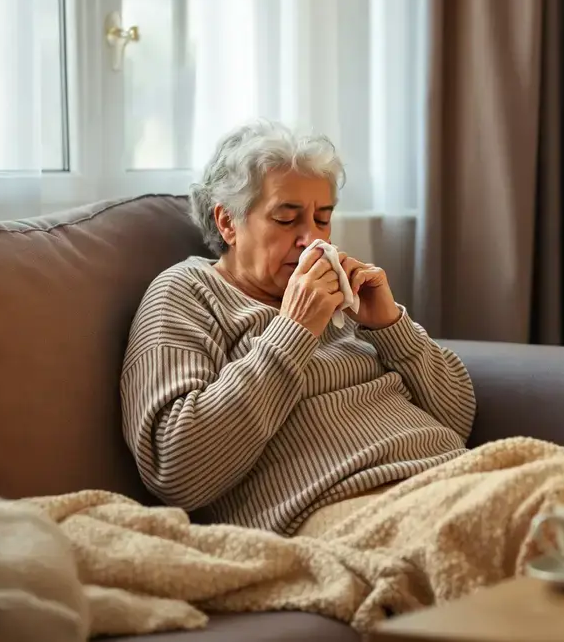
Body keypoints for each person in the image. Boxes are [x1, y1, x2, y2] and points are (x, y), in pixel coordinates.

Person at [120, 119, 477, 536]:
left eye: (322, 219)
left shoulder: (343, 299)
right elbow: (177, 468)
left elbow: (458, 420)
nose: (312, 239)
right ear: (228, 223)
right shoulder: (186, 292)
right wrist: (293, 333)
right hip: (350, 506)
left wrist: (390, 327)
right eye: (287, 220)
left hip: (451, 474)